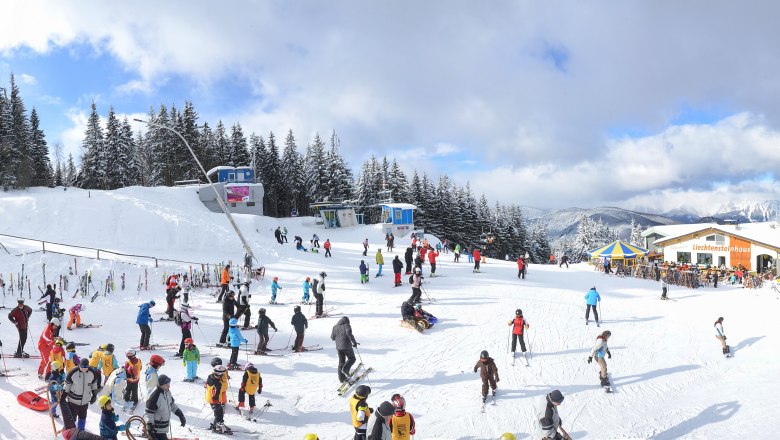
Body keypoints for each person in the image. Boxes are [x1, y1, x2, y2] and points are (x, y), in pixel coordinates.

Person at [63, 358, 101, 430]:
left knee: (83, 416)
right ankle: (70, 430)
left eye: (86, 367)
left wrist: (94, 395)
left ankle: (81, 430)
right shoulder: (73, 372)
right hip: (73, 400)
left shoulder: (92, 372)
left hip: (85, 400)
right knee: (72, 417)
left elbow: (94, 384)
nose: (84, 369)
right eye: (82, 367)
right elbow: (67, 385)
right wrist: (63, 397)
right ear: (79, 365)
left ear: (88, 366)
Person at [145, 374, 186, 440]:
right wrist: (150, 426)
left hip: (163, 428)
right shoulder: (155, 396)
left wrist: (180, 415)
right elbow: (149, 413)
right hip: (157, 429)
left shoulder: (167, 392)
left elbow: (172, 405)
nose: (169, 386)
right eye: (167, 385)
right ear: (162, 385)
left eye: (169, 384)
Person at [332, 316, 359, 382]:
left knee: (341, 362)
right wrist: (354, 342)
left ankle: (342, 379)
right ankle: (346, 369)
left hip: (338, 347)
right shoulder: (347, 325)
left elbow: (332, 337)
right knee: (352, 358)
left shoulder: (335, 327)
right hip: (346, 346)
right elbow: (349, 333)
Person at [205, 364, 231, 434]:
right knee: (219, 412)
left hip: (209, 397)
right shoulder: (218, 384)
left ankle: (216, 424)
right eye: (222, 374)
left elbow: (206, 385)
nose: (222, 376)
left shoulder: (210, 377)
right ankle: (219, 426)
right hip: (214, 400)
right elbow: (216, 394)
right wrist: (216, 402)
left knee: (218, 411)